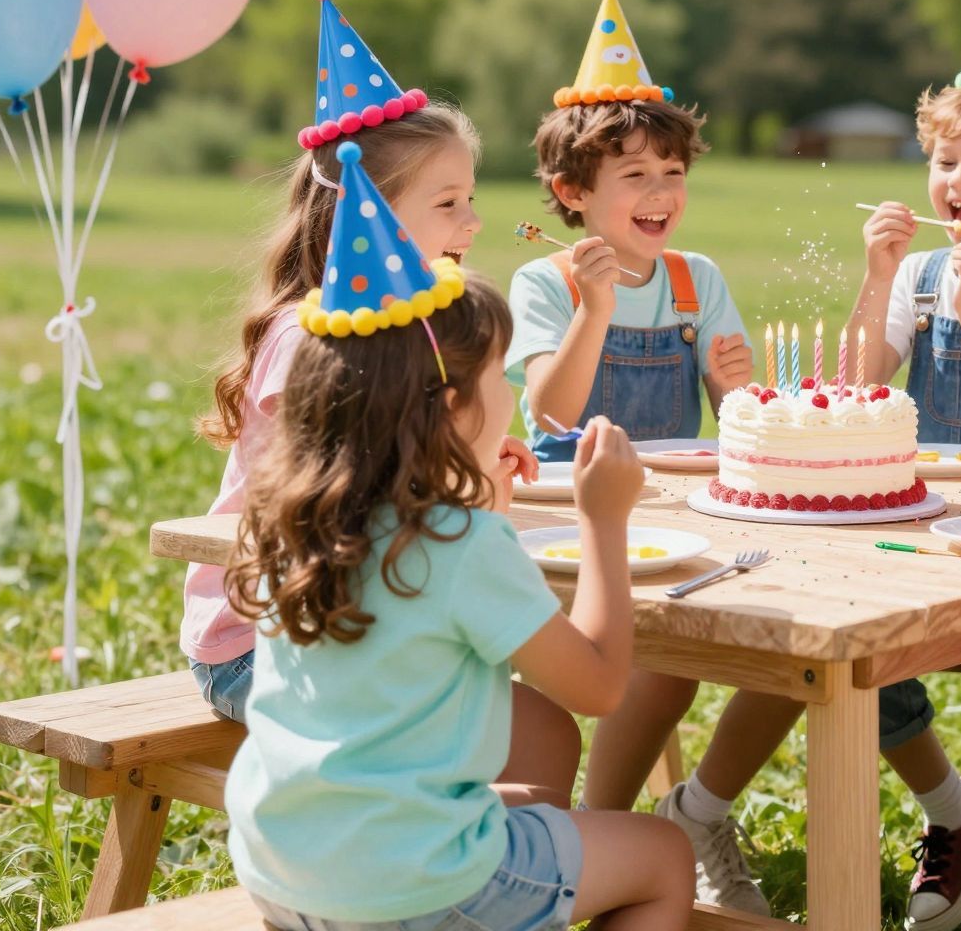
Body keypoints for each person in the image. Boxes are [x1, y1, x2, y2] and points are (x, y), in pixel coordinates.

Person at [649, 0, 961, 931]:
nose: (958, 180)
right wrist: (878, 273)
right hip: (917, 512)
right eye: (945, 163)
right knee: (866, 662)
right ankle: (951, 807)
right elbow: (857, 380)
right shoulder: (923, 274)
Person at [224, 145, 693, 931]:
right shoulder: (461, 542)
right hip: (411, 890)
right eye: (501, 380)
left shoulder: (294, 519)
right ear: (451, 407)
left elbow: (436, 612)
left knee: (526, 792)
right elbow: (600, 688)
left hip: (283, 872)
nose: (510, 399)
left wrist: (478, 493)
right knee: (663, 857)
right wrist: (603, 520)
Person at [507, 0, 763, 911]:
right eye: (635, 177)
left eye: (673, 174)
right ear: (574, 193)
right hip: (569, 521)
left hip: (672, 521)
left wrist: (737, 388)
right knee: (655, 677)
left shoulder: (698, 281)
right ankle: (601, 830)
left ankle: (605, 829)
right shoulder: (547, 282)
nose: (661, 194)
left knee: (698, 665)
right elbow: (550, 409)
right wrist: (597, 308)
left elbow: (735, 419)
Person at [182, 0, 504, 724]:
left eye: (471, 197)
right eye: (449, 202)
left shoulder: (410, 326)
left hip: (358, 612)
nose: (474, 222)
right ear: (372, 213)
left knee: (494, 696)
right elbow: (353, 498)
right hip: (262, 639)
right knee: (467, 704)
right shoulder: (311, 340)